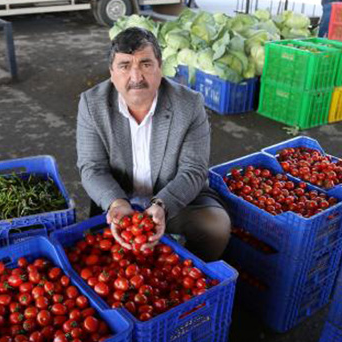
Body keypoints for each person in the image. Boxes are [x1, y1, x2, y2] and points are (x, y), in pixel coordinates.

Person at [76, 27, 231, 262]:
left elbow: (194, 170)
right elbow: (92, 168)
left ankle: (189, 275)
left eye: (146, 64)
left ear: (160, 68)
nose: (136, 77)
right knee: (103, 259)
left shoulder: (189, 105)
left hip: (172, 196)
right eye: (125, 66)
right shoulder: (92, 104)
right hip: (120, 198)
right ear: (112, 72)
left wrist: (162, 205)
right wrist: (116, 202)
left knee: (216, 227)